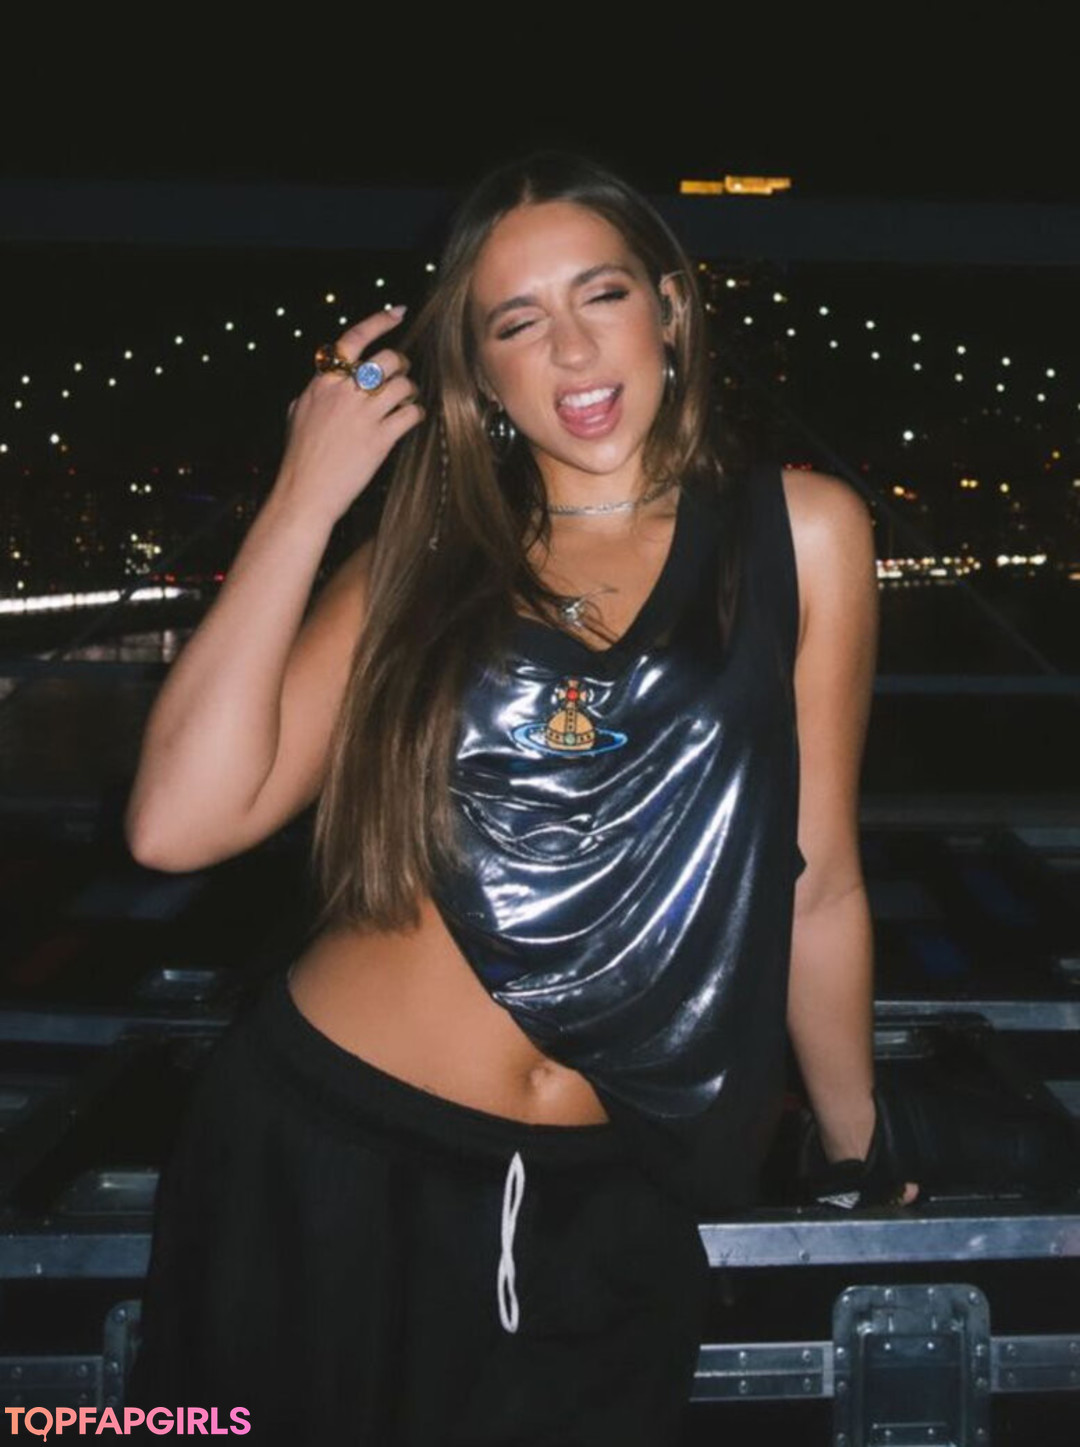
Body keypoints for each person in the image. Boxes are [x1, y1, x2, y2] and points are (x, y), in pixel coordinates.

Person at [121, 150, 918, 1445]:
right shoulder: (425, 559)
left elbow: (815, 875)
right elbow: (178, 824)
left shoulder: (806, 531)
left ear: (670, 307)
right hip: (331, 1147)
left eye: (601, 294)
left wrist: (854, 1144)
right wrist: (307, 496)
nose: (572, 349)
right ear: (480, 372)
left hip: (610, 1183)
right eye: (515, 322)